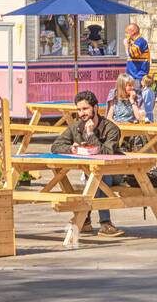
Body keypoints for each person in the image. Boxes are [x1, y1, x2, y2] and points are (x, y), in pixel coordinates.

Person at [51, 90, 125, 238]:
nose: (81, 113)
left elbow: (107, 153)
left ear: (96, 108)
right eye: (79, 110)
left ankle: (99, 221)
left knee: (99, 177)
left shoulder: (111, 128)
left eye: (85, 109)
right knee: (95, 177)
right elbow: (56, 146)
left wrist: (91, 135)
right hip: (90, 173)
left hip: (115, 172)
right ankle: (92, 221)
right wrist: (72, 148)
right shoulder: (76, 127)